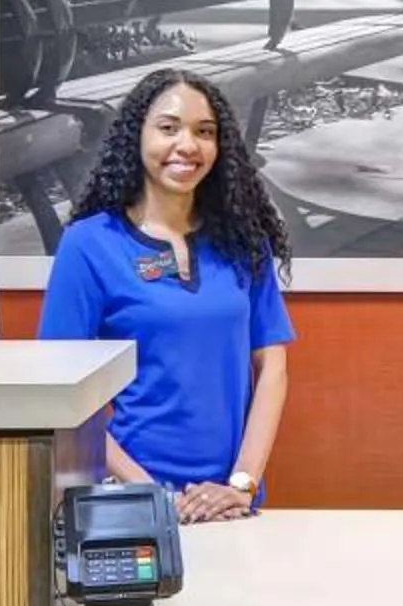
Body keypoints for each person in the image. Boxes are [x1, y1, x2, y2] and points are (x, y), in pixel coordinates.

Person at [36, 68, 293, 523]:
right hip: (132, 498)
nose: (188, 146)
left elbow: (271, 366)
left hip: (231, 502)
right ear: (137, 136)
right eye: (169, 128)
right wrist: (148, 492)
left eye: (205, 132)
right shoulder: (89, 244)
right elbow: (61, 390)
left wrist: (241, 484)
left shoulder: (243, 240)